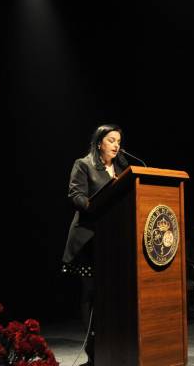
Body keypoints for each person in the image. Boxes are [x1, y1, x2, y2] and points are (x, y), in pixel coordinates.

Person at [61, 124, 129, 366]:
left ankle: (114, 350)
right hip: (89, 240)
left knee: (113, 296)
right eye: (111, 140)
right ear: (99, 142)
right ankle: (93, 354)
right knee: (92, 294)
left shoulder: (123, 168)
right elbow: (75, 195)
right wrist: (96, 206)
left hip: (114, 241)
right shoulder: (84, 164)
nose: (116, 145)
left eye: (119, 140)